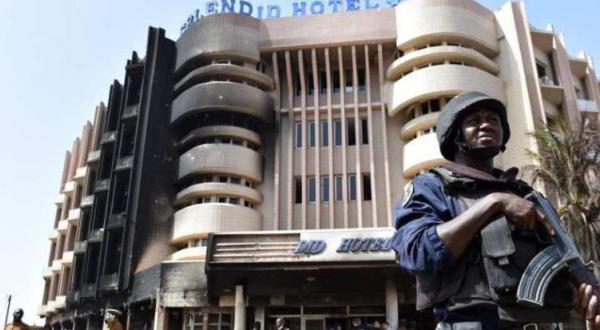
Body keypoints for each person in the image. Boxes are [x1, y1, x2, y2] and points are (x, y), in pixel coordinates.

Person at [391, 91, 600, 329]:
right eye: (473, 121)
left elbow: (563, 256)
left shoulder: (529, 196)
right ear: (454, 134)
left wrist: (584, 293)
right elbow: (417, 253)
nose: (486, 125)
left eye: (493, 119)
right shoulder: (431, 187)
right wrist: (494, 204)